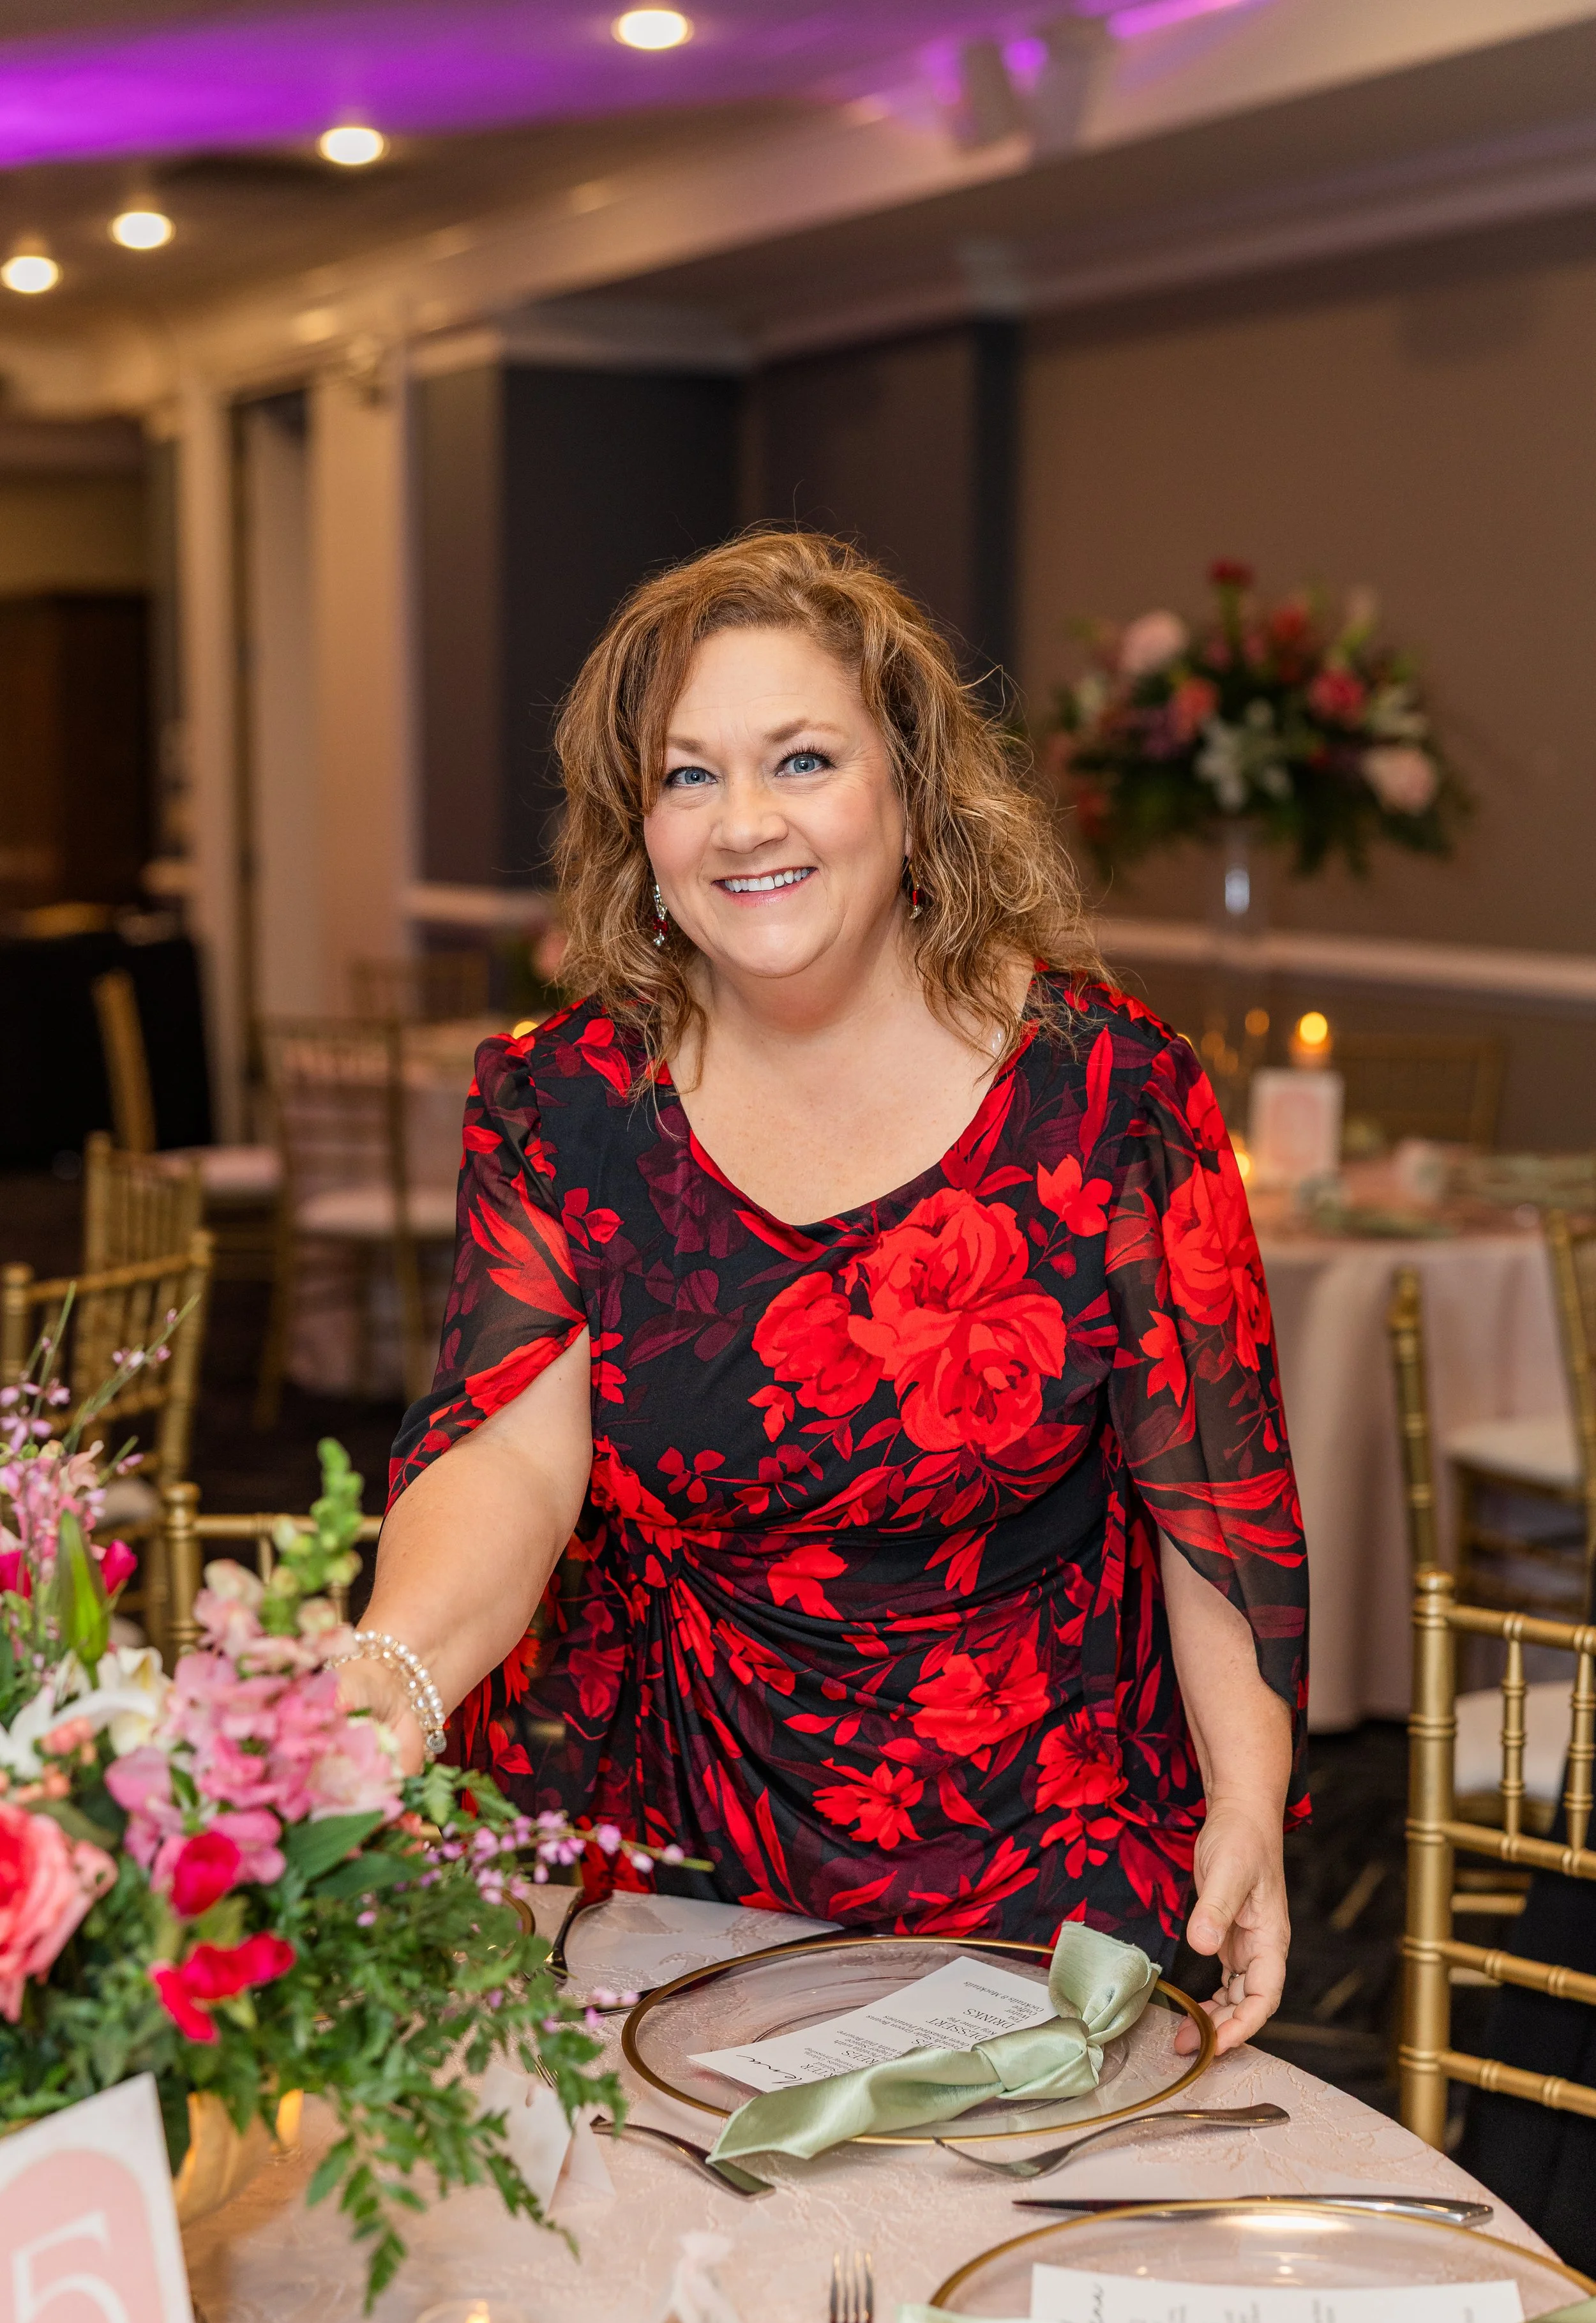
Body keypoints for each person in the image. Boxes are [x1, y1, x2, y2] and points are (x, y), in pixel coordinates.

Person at [341, 530, 1308, 2055]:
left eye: (799, 759)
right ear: (636, 826)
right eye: (687, 776)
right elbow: (509, 1455)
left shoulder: (1107, 1093)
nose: (744, 825)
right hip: (674, 1843)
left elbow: (1209, 1489)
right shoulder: (563, 1104)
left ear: (910, 790)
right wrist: (386, 1678)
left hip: (1046, 1850)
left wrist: (1245, 1802)